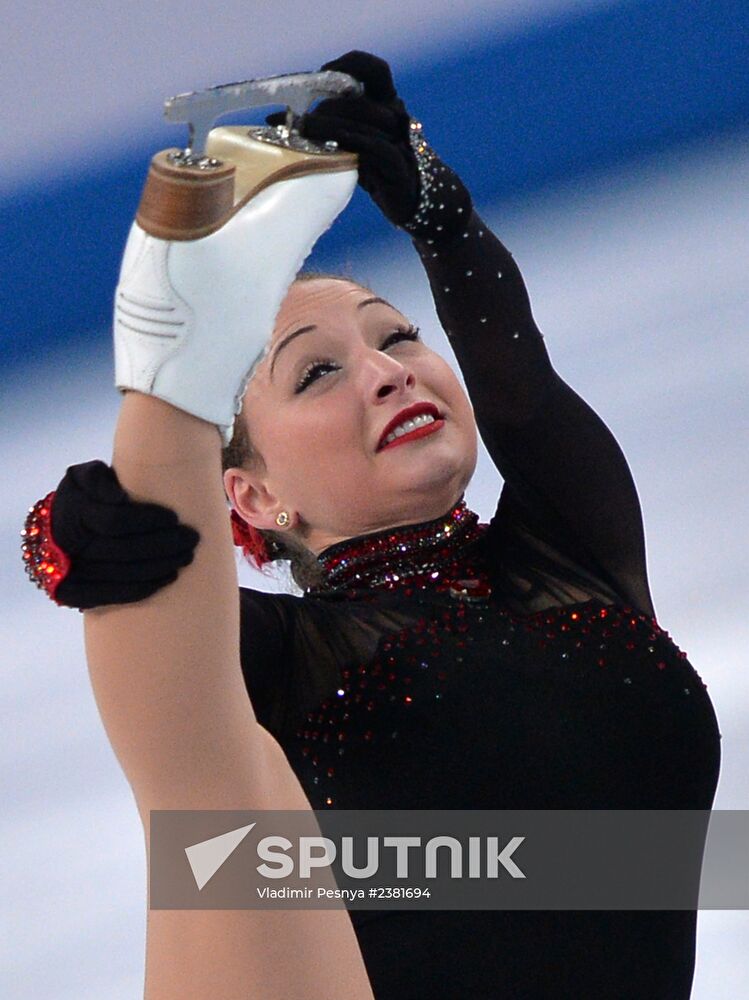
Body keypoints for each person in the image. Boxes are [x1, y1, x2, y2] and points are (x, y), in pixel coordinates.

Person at [23, 52, 721, 999]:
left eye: (397, 338)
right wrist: (64, 538)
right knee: (219, 811)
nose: (389, 372)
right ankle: (174, 352)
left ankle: (186, 349)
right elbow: (150, 610)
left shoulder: (569, 558)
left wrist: (434, 209)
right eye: (317, 373)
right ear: (250, 497)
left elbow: (522, 391)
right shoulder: (277, 653)